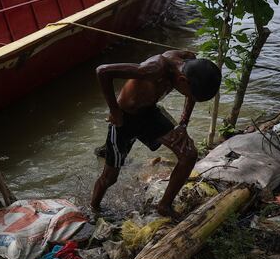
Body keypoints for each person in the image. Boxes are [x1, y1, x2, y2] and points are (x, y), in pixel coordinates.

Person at [90, 50, 221, 217]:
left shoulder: (189, 63)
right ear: (182, 80)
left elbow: (192, 95)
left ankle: (164, 206)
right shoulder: (154, 68)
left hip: (150, 113)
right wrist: (114, 110)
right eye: (189, 94)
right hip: (125, 118)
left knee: (189, 154)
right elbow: (103, 71)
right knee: (110, 177)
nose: (189, 97)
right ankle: (93, 209)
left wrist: (183, 123)